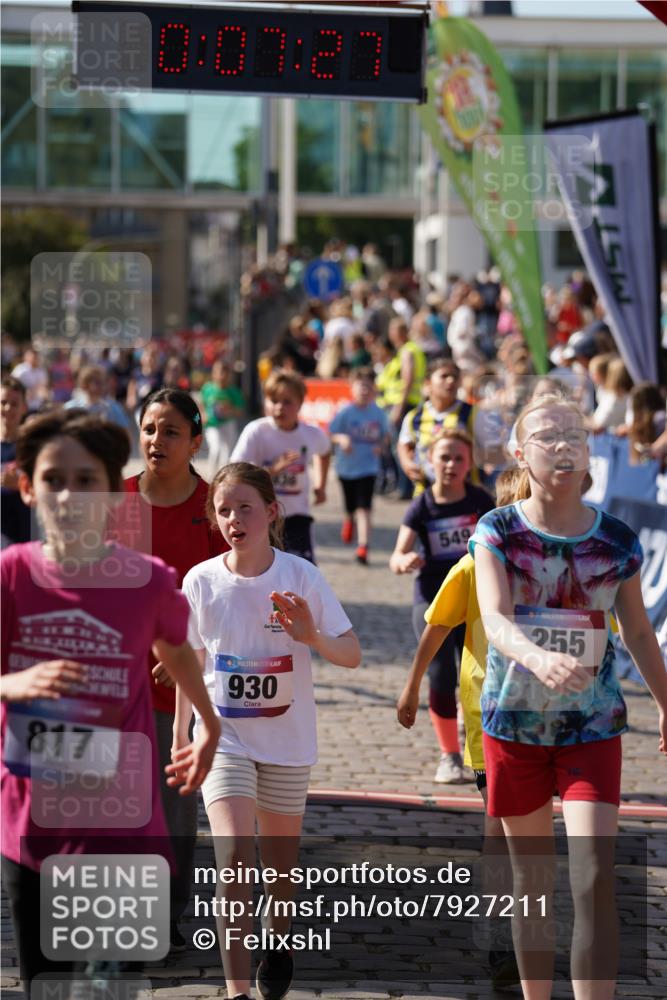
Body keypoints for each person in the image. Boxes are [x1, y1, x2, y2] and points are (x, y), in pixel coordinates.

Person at [0, 409, 220, 992]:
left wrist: (208, 725)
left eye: (86, 481)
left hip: (123, 830)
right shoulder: (11, 575)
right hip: (31, 829)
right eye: (52, 480)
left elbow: (176, 649)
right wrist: (11, 685)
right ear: (26, 487)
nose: (69, 496)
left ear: (112, 495)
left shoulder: (147, 580)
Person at [470, 394, 667, 997]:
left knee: (592, 878)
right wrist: (536, 656)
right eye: (548, 436)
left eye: (574, 436)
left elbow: (637, 631)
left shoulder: (616, 541)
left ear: (590, 456)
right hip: (516, 728)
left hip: (593, 727)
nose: (563, 446)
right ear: (519, 453)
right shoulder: (497, 531)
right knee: (533, 884)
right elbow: (495, 619)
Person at [175, 462, 361, 1000]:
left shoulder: (300, 576)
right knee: (232, 855)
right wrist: (182, 733)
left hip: (287, 742)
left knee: (279, 867)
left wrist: (312, 636)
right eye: (223, 510)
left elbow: (351, 654)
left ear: (272, 512)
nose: (234, 518)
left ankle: (277, 940)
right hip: (224, 738)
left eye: (245, 508)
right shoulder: (202, 580)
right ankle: (236, 991)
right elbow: (192, 659)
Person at [397, 468, 527, 989]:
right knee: (501, 828)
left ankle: (519, 930)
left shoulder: (566, 566)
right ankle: (500, 939)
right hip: (489, 714)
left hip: (554, 720)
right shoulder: (475, 565)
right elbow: (437, 626)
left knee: (529, 831)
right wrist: (411, 687)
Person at [120, 386, 227, 952]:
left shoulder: (211, 509)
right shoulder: (116, 500)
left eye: (171, 431)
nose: (157, 440)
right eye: (150, 429)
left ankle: (167, 918)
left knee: (171, 805)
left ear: (195, 441)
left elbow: (225, 596)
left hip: (178, 684)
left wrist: (193, 653)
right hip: (113, 679)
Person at [390, 429, 494, 783]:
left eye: (459, 458)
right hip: (432, 597)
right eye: (444, 457)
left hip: (476, 597)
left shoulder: (481, 501)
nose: (451, 465)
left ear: (470, 463)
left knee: (478, 671)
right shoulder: (422, 504)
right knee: (441, 673)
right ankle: (449, 755)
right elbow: (397, 554)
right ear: (429, 461)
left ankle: (479, 740)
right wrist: (404, 560)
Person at [231, 369, 331, 564]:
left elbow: (325, 452)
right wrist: (273, 469)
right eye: (273, 400)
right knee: (263, 570)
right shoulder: (257, 431)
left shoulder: (311, 434)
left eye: (287, 402)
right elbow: (235, 472)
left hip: (297, 516)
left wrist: (321, 485)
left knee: (303, 571)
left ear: (300, 404)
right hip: (261, 516)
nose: (279, 407)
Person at [329, 368, 391, 565]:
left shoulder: (378, 413)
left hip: (368, 467)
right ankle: (348, 520)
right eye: (360, 386)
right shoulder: (346, 412)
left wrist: (381, 446)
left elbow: (386, 435)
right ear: (352, 389)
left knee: (364, 507)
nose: (364, 390)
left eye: (368, 386)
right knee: (350, 505)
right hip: (346, 467)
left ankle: (363, 546)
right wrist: (342, 439)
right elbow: (330, 433)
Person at [398, 358, 475, 496]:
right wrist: (406, 463)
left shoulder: (472, 413)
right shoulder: (414, 417)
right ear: (428, 383)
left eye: (455, 377)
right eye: (444, 376)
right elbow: (404, 443)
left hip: (464, 497)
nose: (451, 381)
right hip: (424, 495)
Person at [201, 360, 246, 475]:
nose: (222, 375)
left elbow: (240, 411)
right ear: (213, 373)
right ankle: (211, 477)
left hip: (227, 424)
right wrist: (203, 415)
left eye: (225, 372)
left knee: (227, 451)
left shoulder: (233, 391)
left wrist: (229, 411)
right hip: (212, 425)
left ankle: (222, 476)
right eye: (219, 372)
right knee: (216, 448)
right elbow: (202, 405)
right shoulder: (208, 388)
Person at [1, 375, 31, 547]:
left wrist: (20, 483)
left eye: (14, 404)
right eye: (3, 402)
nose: (8, 408)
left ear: (24, 408)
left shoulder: (33, 446)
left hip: (24, 536)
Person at [65, 365, 133, 432]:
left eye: (103, 382)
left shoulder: (113, 408)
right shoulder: (72, 408)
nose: (102, 386)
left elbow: (125, 431)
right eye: (97, 382)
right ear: (85, 384)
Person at [11, 348, 49, 412]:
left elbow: (43, 387)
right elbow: (12, 384)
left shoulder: (41, 371)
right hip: (22, 406)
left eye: (36, 357)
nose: (34, 359)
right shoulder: (20, 370)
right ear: (26, 357)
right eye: (32, 357)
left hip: (38, 405)